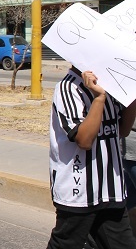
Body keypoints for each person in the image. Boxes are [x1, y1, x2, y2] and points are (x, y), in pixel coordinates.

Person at [48, 66, 136, 249]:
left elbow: (123, 129)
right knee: (66, 243)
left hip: (111, 188)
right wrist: (99, 99)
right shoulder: (68, 87)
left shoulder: (108, 83)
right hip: (79, 191)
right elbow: (84, 140)